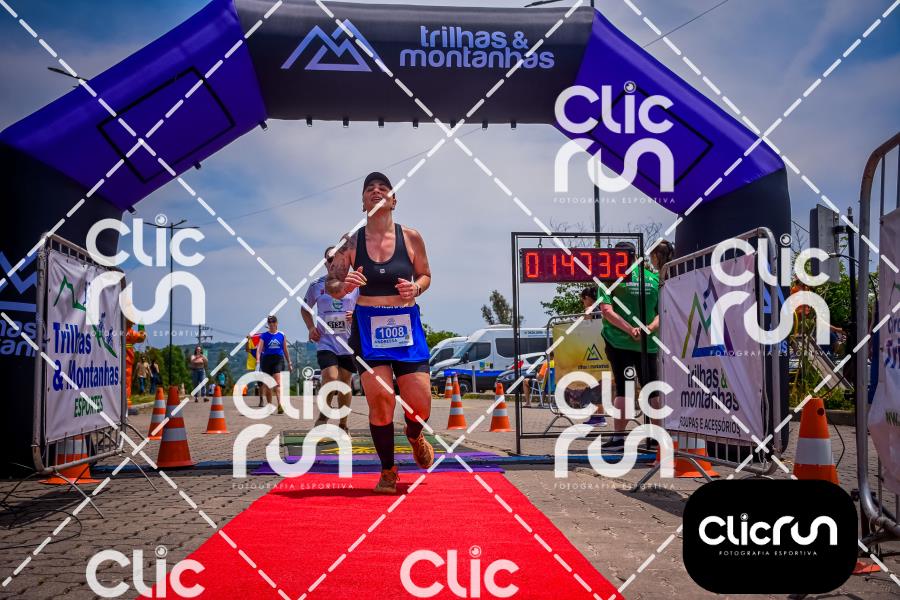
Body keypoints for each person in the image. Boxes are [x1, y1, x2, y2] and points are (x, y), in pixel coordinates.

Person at [326, 171, 434, 494]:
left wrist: (416, 288)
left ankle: (415, 435)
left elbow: (426, 274)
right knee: (381, 400)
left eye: (383, 188)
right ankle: (388, 469)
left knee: (421, 404)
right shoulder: (350, 242)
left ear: (393, 200)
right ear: (363, 202)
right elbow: (331, 284)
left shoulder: (411, 237)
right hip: (368, 327)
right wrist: (344, 285)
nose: (376, 191)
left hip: (406, 325)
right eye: (369, 189)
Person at [598, 241, 664, 450]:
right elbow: (663, 312)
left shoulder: (610, 278)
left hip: (619, 343)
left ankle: (619, 439)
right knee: (652, 389)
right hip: (648, 344)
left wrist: (630, 330)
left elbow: (607, 311)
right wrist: (648, 329)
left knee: (624, 389)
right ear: (636, 256)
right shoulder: (653, 279)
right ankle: (657, 439)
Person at [303, 246, 359, 438]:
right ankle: (323, 416)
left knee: (345, 383)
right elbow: (305, 309)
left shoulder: (355, 284)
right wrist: (311, 327)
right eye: (329, 259)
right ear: (326, 263)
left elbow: (366, 306)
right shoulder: (316, 286)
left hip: (348, 343)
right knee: (331, 377)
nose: (333, 262)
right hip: (326, 342)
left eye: (337, 258)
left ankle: (343, 425)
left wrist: (356, 315)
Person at [255, 315, 293, 413]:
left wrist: (289, 362)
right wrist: (258, 361)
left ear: (276, 323)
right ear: (268, 324)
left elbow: (285, 349)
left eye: (273, 322)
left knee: (277, 383)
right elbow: (259, 349)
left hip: (278, 359)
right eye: (270, 322)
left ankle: (280, 405)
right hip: (266, 360)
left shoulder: (281, 335)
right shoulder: (264, 336)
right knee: (268, 385)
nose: (271, 324)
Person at [246, 333, 264, 407]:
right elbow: (247, 349)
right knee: (261, 384)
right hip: (260, 369)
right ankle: (261, 400)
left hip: (269, 367)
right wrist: (248, 340)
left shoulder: (267, 349)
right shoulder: (256, 351)